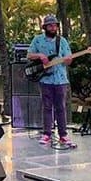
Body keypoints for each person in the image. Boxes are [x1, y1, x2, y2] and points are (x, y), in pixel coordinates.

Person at [27, 14, 75, 147]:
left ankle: (63, 135)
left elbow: (69, 60)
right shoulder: (37, 40)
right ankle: (47, 134)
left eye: (55, 25)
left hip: (60, 80)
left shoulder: (63, 41)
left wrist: (68, 59)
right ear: (45, 27)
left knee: (61, 107)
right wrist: (40, 56)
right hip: (45, 79)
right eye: (50, 26)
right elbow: (29, 55)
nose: (53, 28)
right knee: (47, 107)